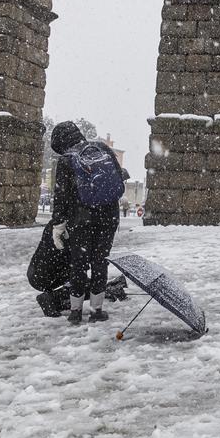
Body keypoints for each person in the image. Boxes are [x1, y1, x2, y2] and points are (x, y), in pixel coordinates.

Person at [50, 121, 124, 324]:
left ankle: (75, 312)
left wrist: (58, 225)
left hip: (80, 219)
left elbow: (61, 196)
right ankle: (96, 311)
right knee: (100, 262)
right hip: (108, 217)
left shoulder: (66, 159)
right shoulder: (102, 148)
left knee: (78, 265)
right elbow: (119, 178)